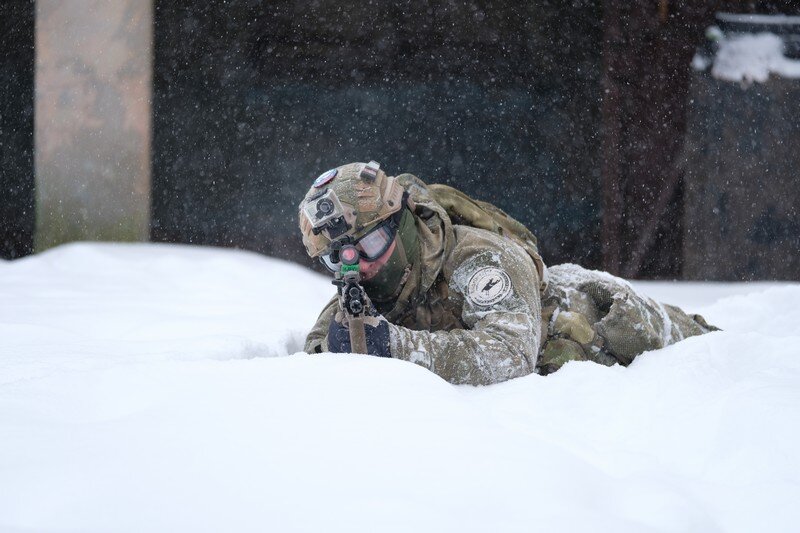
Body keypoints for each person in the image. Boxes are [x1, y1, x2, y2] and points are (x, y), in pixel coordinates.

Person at [299, 161, 717, 385]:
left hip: (600, 325)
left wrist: (395, 347)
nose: (362, 266)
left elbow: (510, 355)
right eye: (341, 259)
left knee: (702, 350)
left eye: (371, 245)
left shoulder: (479, 260)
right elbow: (322, 339)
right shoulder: (364, 283)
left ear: (404, 221)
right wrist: (337, 345)